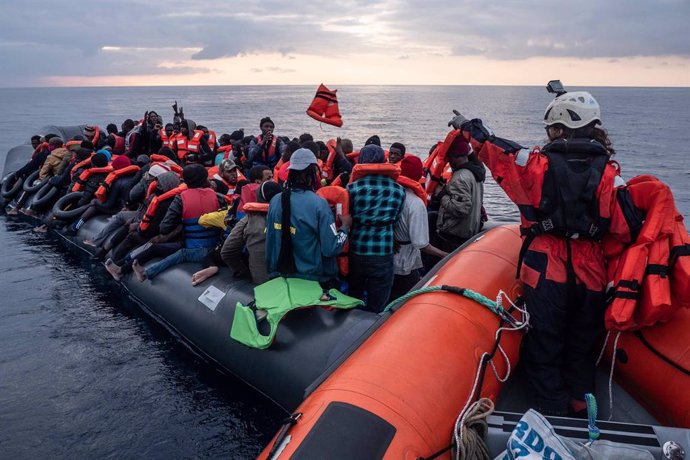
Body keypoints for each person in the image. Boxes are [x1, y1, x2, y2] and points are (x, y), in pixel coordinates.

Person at [447, 84, 626, 417]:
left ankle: (553, 413)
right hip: (591, 272)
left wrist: (466, 126)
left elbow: (496, 151)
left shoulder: (535, 166)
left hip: (546, 268)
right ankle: (583, 407)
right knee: (582, 344)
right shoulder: (612, 177)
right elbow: (622, 229)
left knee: (545, 341)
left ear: (558, 128)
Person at [265, 148, 351, 284]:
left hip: (281, 276)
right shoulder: (319, 204)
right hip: (312, 279)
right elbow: (331, 248)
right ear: (312, 172)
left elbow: (270, 240)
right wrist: (345, 227)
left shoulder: (275, 201)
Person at [132, 164, 225, 282]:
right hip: (215, 248)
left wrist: (180, 224)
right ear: (204, 179)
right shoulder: (219, 197)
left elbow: (164, 228)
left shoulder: (180, 199)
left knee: (179, 254)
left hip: (193, 250)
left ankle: (147, 273)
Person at [347, 144, 405, 312]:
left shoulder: (352, 188)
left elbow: (345, 218)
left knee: (353, 298)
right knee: (378, 303)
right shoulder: (398, 190)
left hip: (357, 250)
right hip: (383, 253)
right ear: (383, 161)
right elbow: (396, 220)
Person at [192, 180, 283, 286]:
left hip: (261, 282)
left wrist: (242, 271)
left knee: (209, 255)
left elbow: (227, 252)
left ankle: (212, 266)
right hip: (292, 281)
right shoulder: (291, 216)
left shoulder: (247, 218)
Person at [390, 156, 448, 299]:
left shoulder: (388, 194)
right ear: (418, 176)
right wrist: (445, 255)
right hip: (404, 263)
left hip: (385, 257)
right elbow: (421, 244)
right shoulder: (415, 204)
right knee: (407, 297)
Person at [433, 136, 485, 252]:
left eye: (449, 158)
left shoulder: (459, 177)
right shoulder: (476, 174)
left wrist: (441, 195)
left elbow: (460, 209)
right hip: (468, 233)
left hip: (453, 236)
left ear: (455, 157)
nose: (449, 161)